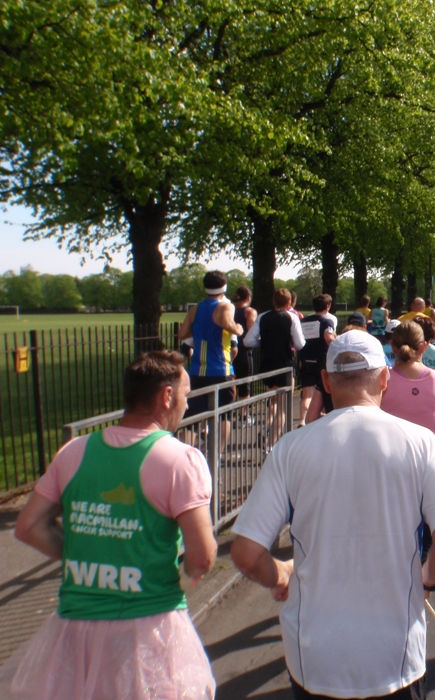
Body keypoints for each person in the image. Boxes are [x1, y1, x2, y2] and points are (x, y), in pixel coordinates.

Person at [230, 331, 435, 700]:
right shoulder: (421, 443)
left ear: (325, 381)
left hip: (314, 656)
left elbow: (246, 553)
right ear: (385, 379)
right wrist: (426, 581)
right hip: (396, 653)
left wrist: (281, 574)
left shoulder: (291, 447)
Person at [3, 351, 217, 699]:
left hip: (75, 631)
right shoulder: (180, 460)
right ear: (166, 396)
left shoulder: (74, 451)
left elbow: (28, 527)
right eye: (185, 395)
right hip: (148, 626)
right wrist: (187, 574)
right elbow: (204, 556)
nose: (186, 406)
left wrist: (87, 556)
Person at [381, 321, 435, 462]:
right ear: (424, 346)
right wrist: (429, 419)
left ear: (393, 348)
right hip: (428, 459)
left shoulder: (382, 380)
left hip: (392, 459)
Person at [178, 270, 244, 416]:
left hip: (197, 371)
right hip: (221, 369)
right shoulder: (226, 306)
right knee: (225, 416)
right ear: (224, 287)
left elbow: (181, 334)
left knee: (193, 420)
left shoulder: (196, 308)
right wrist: (238, 329)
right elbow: (226, 322)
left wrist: (199, 330)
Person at [243, 288, 305, 443]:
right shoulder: (292, 317)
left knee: (273, 401)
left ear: (273, 301)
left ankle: (266, 428)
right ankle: (272, 443)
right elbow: (300, 344)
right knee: (283, 408)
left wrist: (262, 342)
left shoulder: (262, 317)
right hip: (284, 364)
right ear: (289, 302)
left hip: (267, 364)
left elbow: (248, 341)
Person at [297, 294, 337, 425]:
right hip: (321, 361)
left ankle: (302, 421)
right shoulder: (327, 322)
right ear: (327, 306)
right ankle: (322, 422)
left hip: (305, 360)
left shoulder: (303, 322)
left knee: (307, 394)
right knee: (324, 392)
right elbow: (329, 338)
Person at [232, 285, 257, 400]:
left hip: (230, 348)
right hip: (244, 349)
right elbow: (251, 332)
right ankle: (244, 414)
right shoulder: (249, 311)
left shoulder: (230, 310)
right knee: (245, 383)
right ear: (248, 297)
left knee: (231, 381)